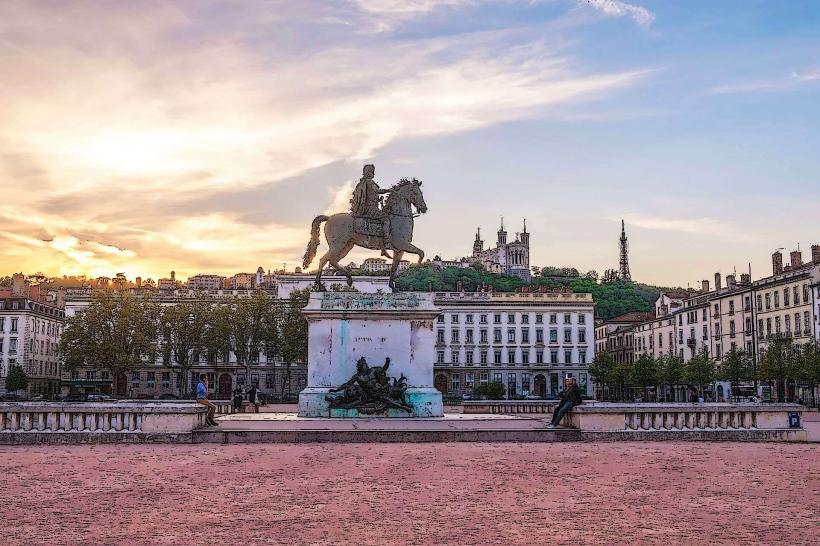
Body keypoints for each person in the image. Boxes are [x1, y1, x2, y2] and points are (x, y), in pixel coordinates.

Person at [350, 164, 392, 256]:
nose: (373, 174)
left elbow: (372, 195)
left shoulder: (364, 182)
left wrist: (378, 200)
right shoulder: (369, 182)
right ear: (369, 172)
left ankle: (382, 246)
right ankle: (387, 241)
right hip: (370, 209)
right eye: (372, 172)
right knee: (386, 219)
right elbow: (377, 191)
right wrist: (389, 190)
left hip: (372, 207)